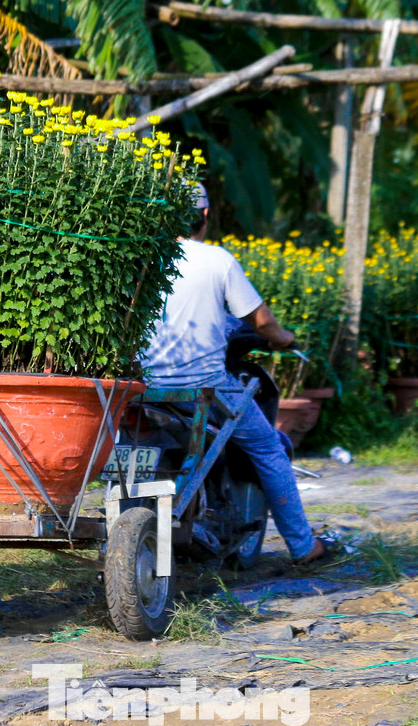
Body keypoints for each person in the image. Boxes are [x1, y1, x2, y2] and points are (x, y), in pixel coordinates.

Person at [139, 185, 328, 565]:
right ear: (206, 216)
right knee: (269, 448)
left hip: (145, 388)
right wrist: (283, 338)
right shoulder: (218, 261)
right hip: (205, 389)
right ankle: (304, 546)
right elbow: (261, 321)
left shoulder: (146, 258)